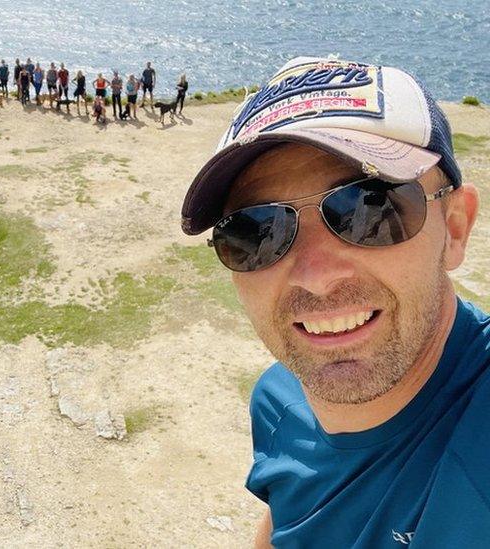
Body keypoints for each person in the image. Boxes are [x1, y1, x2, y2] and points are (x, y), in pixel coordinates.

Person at [180, 56, 485, 548]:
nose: (317, 278)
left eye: (371, 208)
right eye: (256, 231)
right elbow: (289, 518)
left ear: (454, 228)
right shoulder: (279, 400)